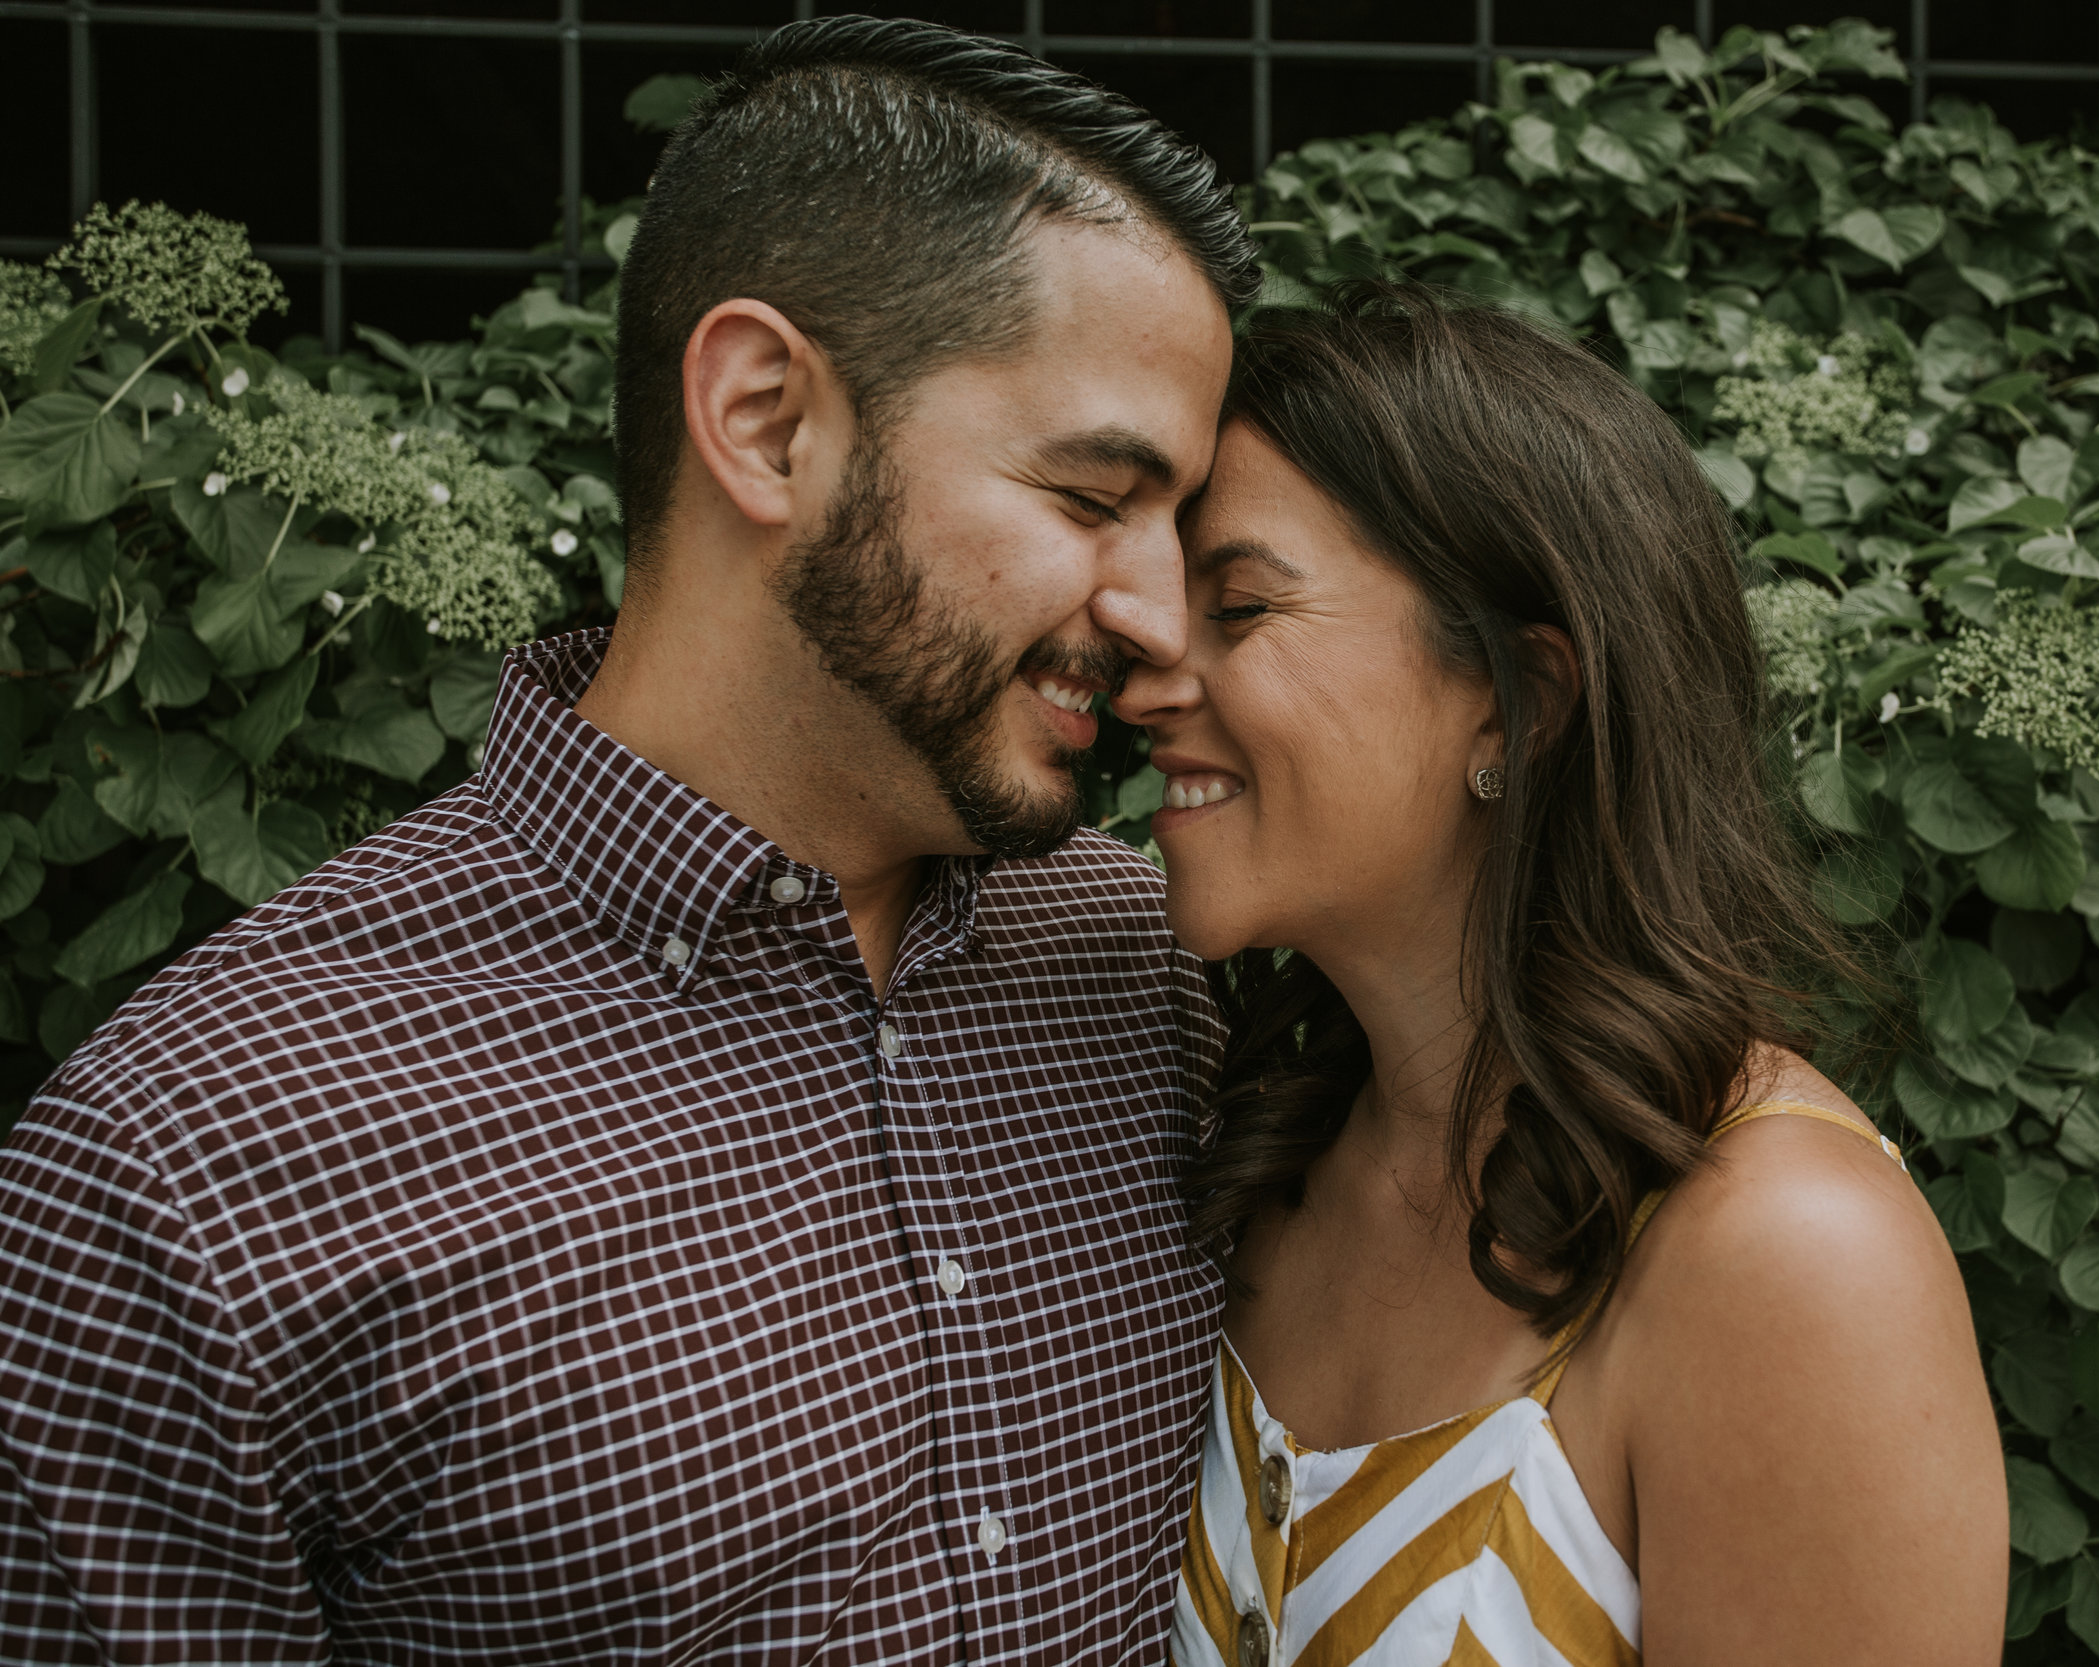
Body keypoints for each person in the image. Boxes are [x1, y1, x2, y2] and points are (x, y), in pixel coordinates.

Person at [0, 18, 1254, 1662]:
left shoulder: (1148, 971)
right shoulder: (198, 1161)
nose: (1165, 621)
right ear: (764, 419)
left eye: (1186, 526)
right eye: (1095, 500)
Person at [1118, 287, 2008, 1666]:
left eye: (1238, 604)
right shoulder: (1258, 1162)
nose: (1142, 683)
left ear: (1521, 700)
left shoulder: (1785, 1260)